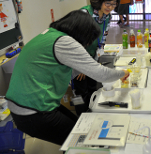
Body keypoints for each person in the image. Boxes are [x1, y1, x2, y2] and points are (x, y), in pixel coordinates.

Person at [5, 10, 130, 146]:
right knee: (78, 142)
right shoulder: (64, 42)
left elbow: (59, 69)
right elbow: (102, 74)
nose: (85, 45)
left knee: (78, 128)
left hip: (24, 105)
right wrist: (123, 73)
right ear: (81, 32)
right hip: (32, 111)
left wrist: (87, 68)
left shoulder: (49, 34)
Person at [73, 0, 119, 116]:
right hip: (78, 60)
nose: (110, 8)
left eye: (114, 4)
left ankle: (91, 115)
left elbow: (102, 40)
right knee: (81, 92)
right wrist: (81, 66)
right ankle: (81, 120)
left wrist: (95, 60)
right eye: (107, 3)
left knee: (93, 88)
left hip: (92, 58)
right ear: (99, 0)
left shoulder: (107, 17)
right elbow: (75, 43)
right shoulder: (84, 14)